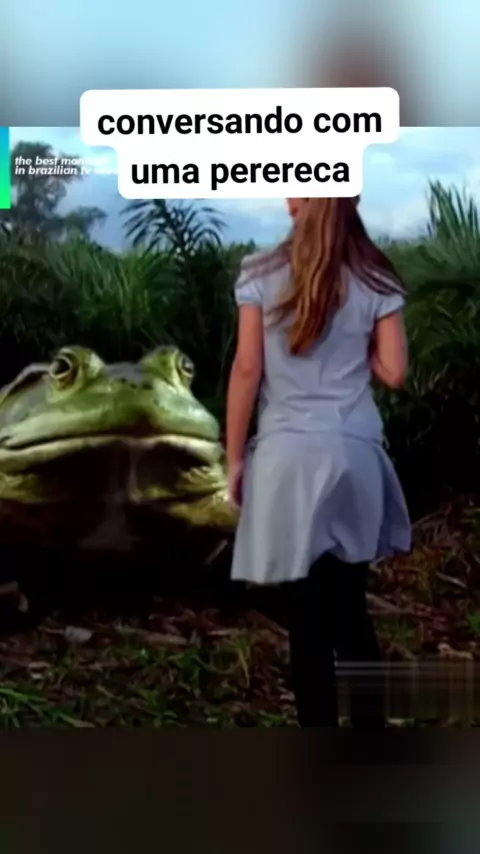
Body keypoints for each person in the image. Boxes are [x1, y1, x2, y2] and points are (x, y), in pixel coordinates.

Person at [225, 196, 411, 728]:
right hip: (354, 455)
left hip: (285, 460)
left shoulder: (259, 273)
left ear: (298, 201)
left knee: (306, 624)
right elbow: (395, 372)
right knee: (350, 612)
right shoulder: (376, 277)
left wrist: (234, 459)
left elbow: (247, 370)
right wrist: (362, 349)